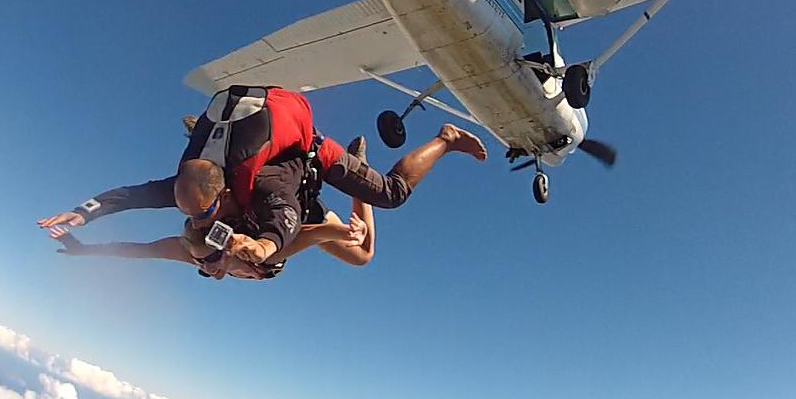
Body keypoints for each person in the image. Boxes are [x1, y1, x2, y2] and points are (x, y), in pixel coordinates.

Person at [38, 85, 485, 266]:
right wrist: (84, 221)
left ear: (225, 194)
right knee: (363, 254)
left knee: (388, 199)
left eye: (207, 264)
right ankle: (357, 180)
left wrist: (264, 245)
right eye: (206, 266)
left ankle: (445, 137)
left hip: (307, 163)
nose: (209, 270)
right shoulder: (192, 200)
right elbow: (135, 211)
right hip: (283, 208)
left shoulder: (264, 191)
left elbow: (284, 220)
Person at [47, 195, 375, 281]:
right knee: (362, 255)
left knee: (362, 255)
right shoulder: (265, 255)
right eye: (241, 275)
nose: (219, 275)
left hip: (285, 210)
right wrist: (344, 231)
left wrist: (84, 250)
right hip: (297, 216)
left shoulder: (193, 254)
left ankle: (359, 177)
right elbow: (315, 234)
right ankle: (359, 177)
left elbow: (137, 251)